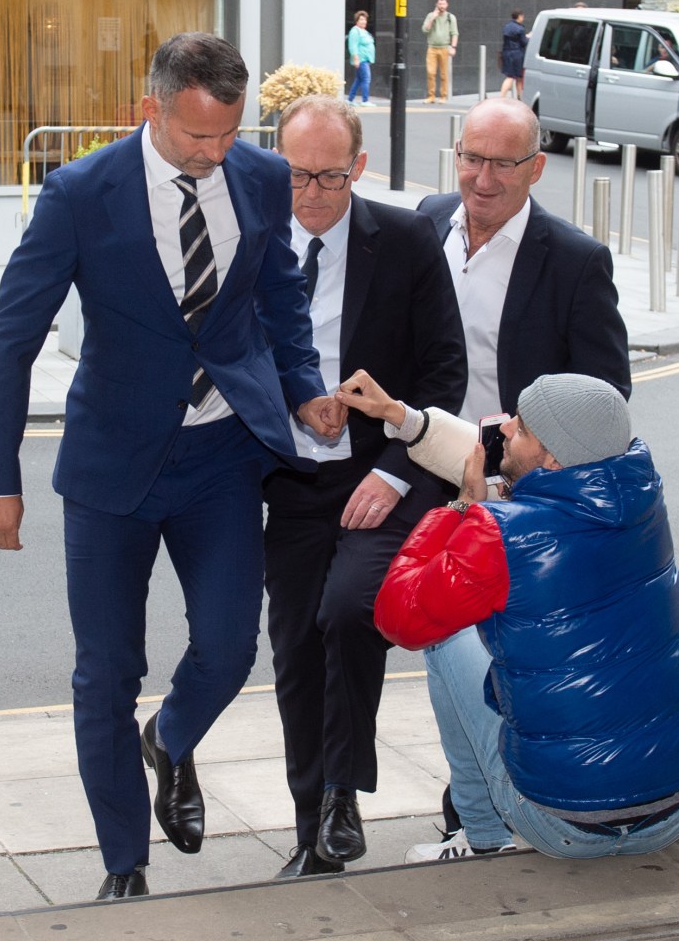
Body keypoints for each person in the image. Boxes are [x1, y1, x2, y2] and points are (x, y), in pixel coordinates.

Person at [0, 33, 345, 901]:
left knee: (225, 647)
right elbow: (11, 336)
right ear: (151, 109)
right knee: (106, 671)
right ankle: (122, 864)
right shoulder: (78, 193)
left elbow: (278, 293)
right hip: (113, 468)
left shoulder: (257, 177)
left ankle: (170, 742)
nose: (214, 156)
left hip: (222, 455)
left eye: (228, 136)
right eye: (194, 139)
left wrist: (303, 389)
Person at [337, 371, 679, 863]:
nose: (507, 432)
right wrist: (401, 417)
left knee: (446, 639)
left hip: (564, 825)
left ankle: (482, 836)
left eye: (522, 430)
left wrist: (458, 509)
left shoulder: (498, 533)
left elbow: (398, 617)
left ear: (555, 459)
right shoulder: (641, 495)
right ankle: (657, 781)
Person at [265, 94, 467, 877]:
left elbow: (443, 369)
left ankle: (344, 790)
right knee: (291, 645)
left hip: (377, 473)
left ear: (358, 167)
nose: (311, 195)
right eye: (294, 177)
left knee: (349, 610)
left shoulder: (408, 240)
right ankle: (310, 824)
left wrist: (392, 467)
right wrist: (289, 399)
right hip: (288, 474)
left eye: (328, 177)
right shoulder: (254, 238)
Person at [417, 97, 631, 430]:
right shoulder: (429, 217)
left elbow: (605, 396)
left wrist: (528, 456)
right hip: (414, 460)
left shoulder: (576, 262)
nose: (483, 180)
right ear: (457, 154)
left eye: (503, 164)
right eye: (472, 158)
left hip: (509, 473)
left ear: (536, 167)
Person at [421, 0, 459, 104]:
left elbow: (455, 33)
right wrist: (433, 18)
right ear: (436, 5)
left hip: (444, 47)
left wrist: (453, 47)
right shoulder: (430, 15)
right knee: (430, 72)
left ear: (447, 5)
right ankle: (431, 95)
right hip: (432, 47)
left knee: (443, 74)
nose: (441, 6)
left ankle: (443, 96)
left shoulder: (450, 17)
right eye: (439, 4)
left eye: (443, 4)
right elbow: (424, 30)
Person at [347, 10, 376, 107]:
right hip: (361, 59)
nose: (364, 21)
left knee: (359, 79)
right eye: (361, 19)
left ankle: (350, 99)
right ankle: (365, 100)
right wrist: (356, 59)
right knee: (366, 79)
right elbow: (353, 46)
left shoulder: (364, 31)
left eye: (365, 20)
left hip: (365, 59)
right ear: (357, 21)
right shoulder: (355, 31)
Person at [500, 10, 529, 99]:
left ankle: (520, 97)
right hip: (517, 54)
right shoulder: (520, 29)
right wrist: (528, 38)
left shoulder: (507, 26)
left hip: (507, 53)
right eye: (522, 17)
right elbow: (524, 42)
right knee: (512, 77)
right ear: (519, 16)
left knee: (516, 77)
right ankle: (502, 97)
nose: (523, 19)